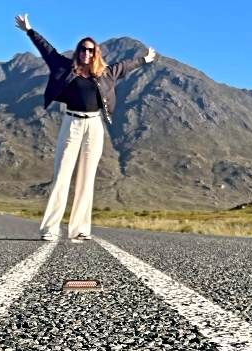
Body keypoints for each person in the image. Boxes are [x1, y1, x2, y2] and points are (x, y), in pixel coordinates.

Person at [15, 13, 157, 242]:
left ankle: (80, 229)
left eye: (91, 50)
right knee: (62, 174)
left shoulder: (106, 73)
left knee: (87, 177)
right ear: (78, 51)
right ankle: (51, 228)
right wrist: (29, 30)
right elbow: (47, 50)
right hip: (71, 123)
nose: (86, 53)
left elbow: (126, 66)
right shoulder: (65, 67)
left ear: (96, 52)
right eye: (83, 49)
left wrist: (145, 59)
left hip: (94, 125)